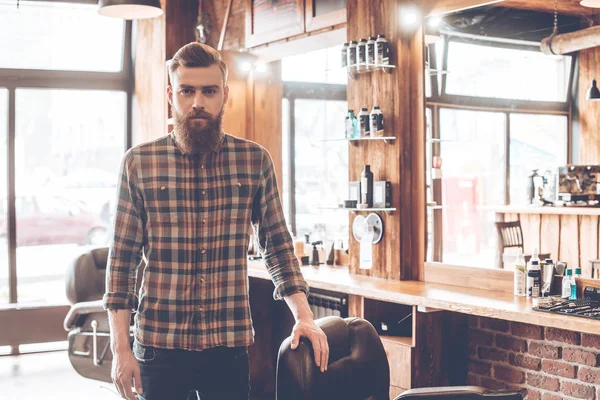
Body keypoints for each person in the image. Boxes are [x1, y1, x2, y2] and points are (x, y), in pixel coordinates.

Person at [103, 42, 329, 400]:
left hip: (228, 345)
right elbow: (122, 262)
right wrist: (120, 349)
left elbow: (278, 245)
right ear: (170, 94)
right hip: (160, 345)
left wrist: (304, 314)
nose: (198, 102)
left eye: (209, 91)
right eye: (187, 91)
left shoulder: (254, 161)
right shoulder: (139, 163)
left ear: (225, 95)